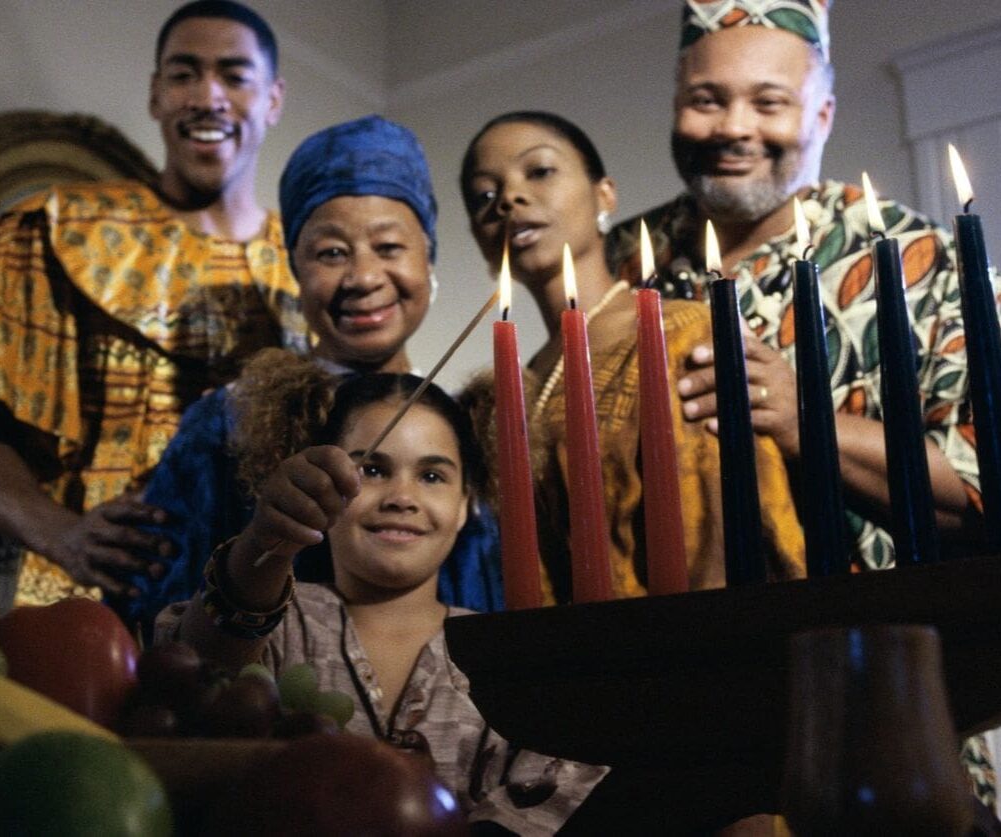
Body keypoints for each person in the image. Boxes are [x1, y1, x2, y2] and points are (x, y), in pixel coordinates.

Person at [605, 0, 995, 807]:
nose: (733, 125)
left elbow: (978, 493)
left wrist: (802, 416)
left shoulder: (919, 257)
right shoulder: (622, 268)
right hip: (671, 711)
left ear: (821, 112)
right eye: (707, 98)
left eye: (769, 101)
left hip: (886, 717)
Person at [0, 1, 305, 606]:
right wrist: (63, 534)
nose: (208, 96)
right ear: (156, 95)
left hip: (273, 608)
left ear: (274, 99)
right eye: (184, 74)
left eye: (234, 76)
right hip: (85, 610)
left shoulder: (316, 259)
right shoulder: (51, 227)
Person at [159, 371, 607, 833]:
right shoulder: (280, 623)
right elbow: (198, 669)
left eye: (432, 475)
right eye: (372, 470)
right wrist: (262, 544)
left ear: (464, 505)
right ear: (319, 483)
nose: (401, 497)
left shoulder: (504, 658)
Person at [125, 116, 502, 635]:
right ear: (296, 269)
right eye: (331, 253)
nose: (364, 278)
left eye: (389, 247)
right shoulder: (225, 425)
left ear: (428, 258)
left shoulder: (464, 429)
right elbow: (161, 618)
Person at [460, 110, 805, 604]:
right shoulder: (516, 385)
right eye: (484, 196)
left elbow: (722, 539)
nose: (508, 200)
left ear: (605, 196)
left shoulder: (679, 334)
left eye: (538, 171)